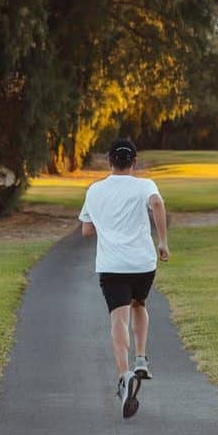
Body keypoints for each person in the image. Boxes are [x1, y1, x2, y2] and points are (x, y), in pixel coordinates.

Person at [78, 138, 170, 419]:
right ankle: (141, 358)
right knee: (139, 303)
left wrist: (105, 224)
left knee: (119, 317)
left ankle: (124, 375)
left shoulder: (95, 190)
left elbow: (86, 231)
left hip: (112, 264)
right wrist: (163, 241)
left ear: (109, 162)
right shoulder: (145, 186)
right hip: (143, 263)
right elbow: (156, 202)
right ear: (135, 162)